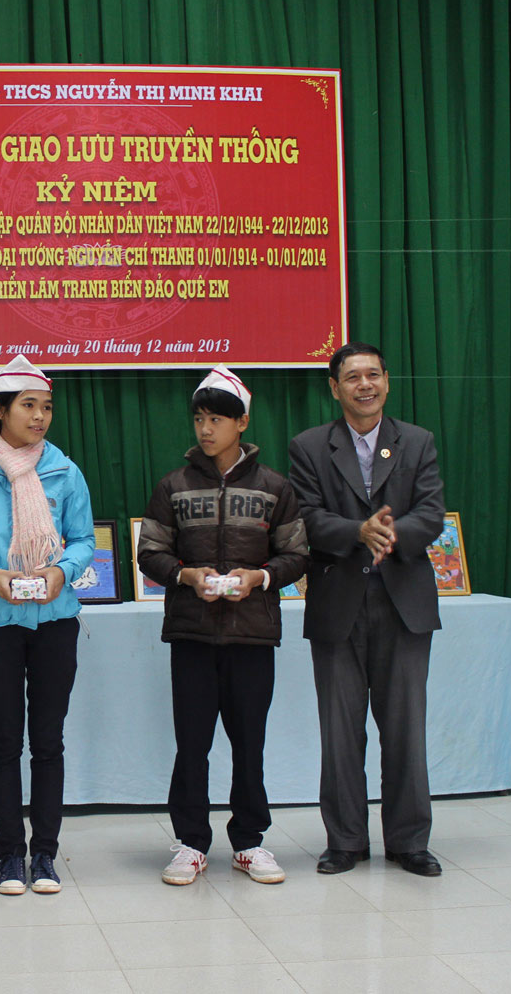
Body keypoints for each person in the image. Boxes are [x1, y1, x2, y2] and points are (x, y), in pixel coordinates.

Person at [138, 365, 309, 886]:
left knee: (249, 744)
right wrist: (186, 575)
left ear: (242, 423)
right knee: (192, 745)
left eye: (217, 419)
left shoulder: (275, 487)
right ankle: (190, 843)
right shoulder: (173, 486)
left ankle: (250, 842)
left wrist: (260, 577)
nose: (206, 429)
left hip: (252, 635)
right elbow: (150, 551)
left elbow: (297, 554)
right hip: (191, 634)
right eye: (199, 419)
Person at [287, 343, 446, 877]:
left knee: (405, 730)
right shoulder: (310, 446)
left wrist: (387, 534)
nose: (365, 385)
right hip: (338, 604)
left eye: (373, 375)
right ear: (335, 388)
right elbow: (306, 517)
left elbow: (431, 512)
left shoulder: (417, 441)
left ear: (387, 382)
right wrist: (358, 530)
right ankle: (346, 841)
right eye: (352, 377)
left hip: (404, 604)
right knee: (340, 731)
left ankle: (409, 841)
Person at [0, 355, 95, 896]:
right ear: (0, 410)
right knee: (5, 741)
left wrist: (61, 571)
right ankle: (10, 856)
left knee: (48, 741)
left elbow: (84, 540)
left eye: (46, 407)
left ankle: (45, 854)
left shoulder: (65, 470)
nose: (40, 417)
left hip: (55, 622)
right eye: (28, 406)